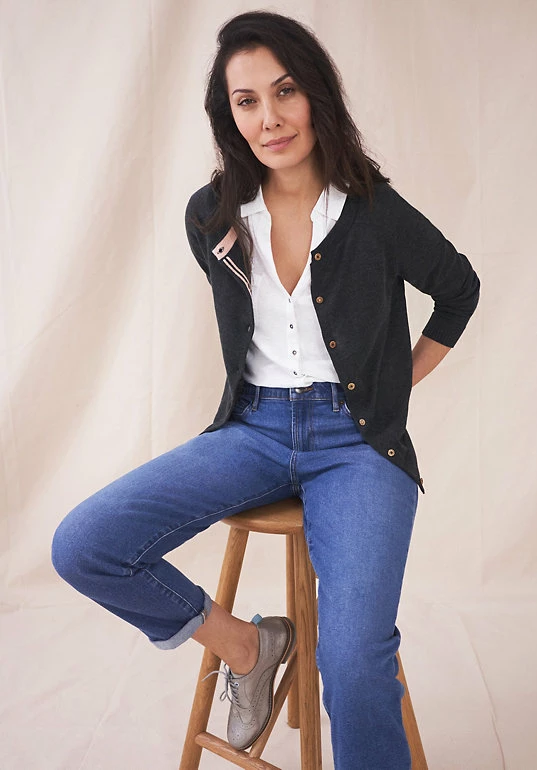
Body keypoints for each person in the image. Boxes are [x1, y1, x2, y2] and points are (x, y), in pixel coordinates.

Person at [51, 10, 480, 769]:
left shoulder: (373, 211)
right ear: (230, 117)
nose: (270, 118)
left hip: (358, 445)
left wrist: (394, 387)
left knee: (353, 664)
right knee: (84, 545)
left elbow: (459, 289)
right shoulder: (211, 214)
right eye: (247, 101)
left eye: (285, 92)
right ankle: (249, 648)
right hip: (252, 430)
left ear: (316, 94)